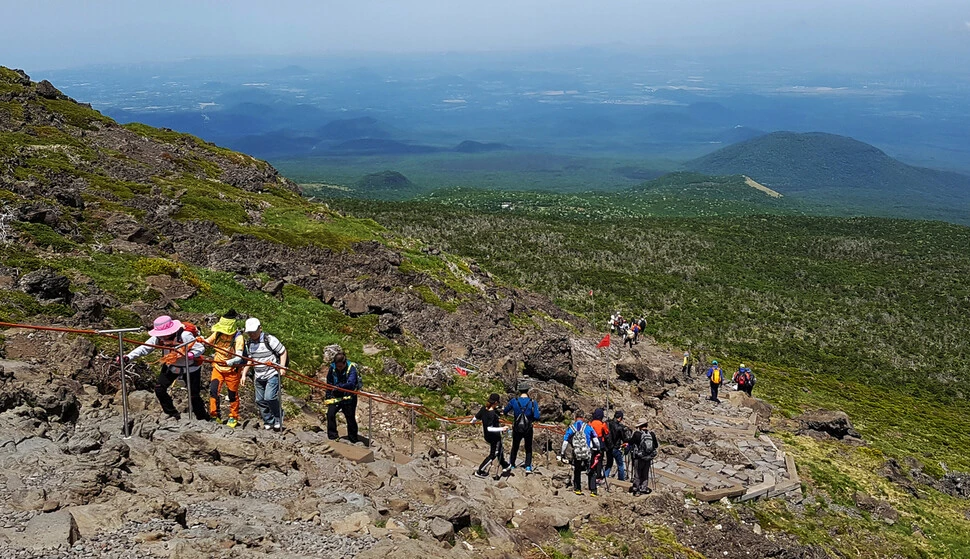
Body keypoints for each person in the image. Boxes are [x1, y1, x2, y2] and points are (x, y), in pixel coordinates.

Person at [122, 315, 207, 421]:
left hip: (190, 367)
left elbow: (200, 347)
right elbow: (145, 347)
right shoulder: (158, 338)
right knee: (159, 389)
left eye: (164, 335)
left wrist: (192, 354)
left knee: (194, 395)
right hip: (171, 366)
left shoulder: (185, 335)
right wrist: (129, 357)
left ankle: (203, 418)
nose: (162, 337)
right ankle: (172, 413)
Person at [241, 318, 287, 431]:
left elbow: (283, 351)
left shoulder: (269, 339)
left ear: (260, 329)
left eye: (253, 332)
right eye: (249, 332)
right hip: (258, 375)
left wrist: (282, 367)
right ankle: (268, 420)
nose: (251, 334)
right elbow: (250, 359)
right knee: (259, 400)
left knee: (269, 397)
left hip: (272, 373)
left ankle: (278, 416)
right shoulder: (249, 343)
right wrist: (244, 374)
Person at [203, 310, 246, 428]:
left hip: (232, 370)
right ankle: (214, 415)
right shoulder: (217, 333)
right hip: (217, 368)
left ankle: (233, 416)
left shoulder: (238, 338)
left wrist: (228, 362)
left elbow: (239, 357)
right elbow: (207, 342)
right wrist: (200, 340)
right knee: (213, 390)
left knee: (232, 394)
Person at [560, 410, 600, 497]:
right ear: (583, 417)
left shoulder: (571, 427)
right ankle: (593, 490)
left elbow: (565, 441)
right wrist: (598, 449)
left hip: (576, 452)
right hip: (587, 451)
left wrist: (562, 453)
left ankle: (577, 488)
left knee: (577, 470)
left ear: (575, 417)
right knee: (591, 470)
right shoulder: (588, 427)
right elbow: (596, 440)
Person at [502, 382, 541, 474]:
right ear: (528, 391)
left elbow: (505, 411)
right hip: (528, 427)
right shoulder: (532, 402)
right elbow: (536, 416)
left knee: (515, 446)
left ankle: (512, 463)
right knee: (528, 447)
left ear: (519, 391)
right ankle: (528, 466)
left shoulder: (514, 401)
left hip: (516, 426)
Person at [472, 393, 510, 478]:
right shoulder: (492, 414)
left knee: (500, 448)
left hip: (487, 436)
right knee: (494, 454)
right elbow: (490, 428)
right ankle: (480, 470)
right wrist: (502, 428)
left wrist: (472, 423)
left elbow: (475, 418)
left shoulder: (483, 409)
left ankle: (505, 465)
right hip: (494, 437)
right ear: (496, 402)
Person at [326, 352, 361, 443]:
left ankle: (353, 439)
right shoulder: (332, 368)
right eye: (337, 366)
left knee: (350, 418)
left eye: (341, 367)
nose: (339, 368)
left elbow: (351, 383)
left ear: (345, 363)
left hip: (349, 397)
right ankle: (332, 436)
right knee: (330, 414)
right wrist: (328, 395)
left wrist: (340, 387)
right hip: (336, 395)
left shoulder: (351, 369)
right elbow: (329, 381)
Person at [628, 418, 659, 496]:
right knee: (645, 473)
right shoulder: (651, 434)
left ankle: (636, 489)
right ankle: (644, 488)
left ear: (640, 426)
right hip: (648, 457)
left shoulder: (637, 434)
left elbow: (631, 442)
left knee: (637, 473)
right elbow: (656, 445)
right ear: (646, 425)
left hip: (639, 457)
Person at [604, 410, 630, 481]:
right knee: (620, 464)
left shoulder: (608, 423)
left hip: (608, 447)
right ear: (620, 418)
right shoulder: (620, 427)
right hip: (616, 448)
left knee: (609, 463)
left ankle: (605, 478)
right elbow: (625, 438)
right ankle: (621, 480)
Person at [589, 408, 610, 481]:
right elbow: (607, 432)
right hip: (600, 442)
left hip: (592, 442)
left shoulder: (591, 423)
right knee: (599, 459)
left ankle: (592, 471)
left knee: (592, 457)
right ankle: (598, 474)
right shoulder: (602, 424)